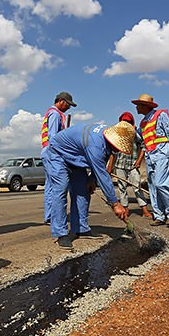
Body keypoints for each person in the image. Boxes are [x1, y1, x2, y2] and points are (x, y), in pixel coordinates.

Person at [43, 121, 134, 250]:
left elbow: (100, 164)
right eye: (118, 147)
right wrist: (115, 203)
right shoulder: (96, 144)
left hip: (75, 157)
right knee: (60, 191)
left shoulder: (105, 139)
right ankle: (61, 233)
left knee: (83, 191)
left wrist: (91, 179)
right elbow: (103, 174)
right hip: (57, 154)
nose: (119, 150)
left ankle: (81, 228)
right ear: (113, 141)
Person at [132, 94, 169, 227]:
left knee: (161, 184)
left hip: (162, 154)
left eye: (138, 105)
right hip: (150, 157)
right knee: (153, 187)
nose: (136, 107)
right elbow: (140, 138)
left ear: (146, 106)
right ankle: (159, 215)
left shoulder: (160, 115)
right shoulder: (143, 122)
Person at [106, 112, 152, 218]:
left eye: (128, 122)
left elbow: (144, 146)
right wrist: (110, 167)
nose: (126, 124)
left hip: (132, 166)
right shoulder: (117, 134)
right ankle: (125, 209)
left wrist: (139, 161)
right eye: (124, 122)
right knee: (122, 188)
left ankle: (145, 210)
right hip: (120, 165)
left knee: (137, 187)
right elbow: (112, 152)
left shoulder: (135, 134)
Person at [41, 91, 76, 224]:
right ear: (61, 101)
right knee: (54, 186)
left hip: (47, 151)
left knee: (50, 185)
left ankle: (49, 216)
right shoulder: (55, 114)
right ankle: (52, 216)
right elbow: (53, 137)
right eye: (68, 104)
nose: (69, 108)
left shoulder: (53, 113)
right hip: (52, 152)